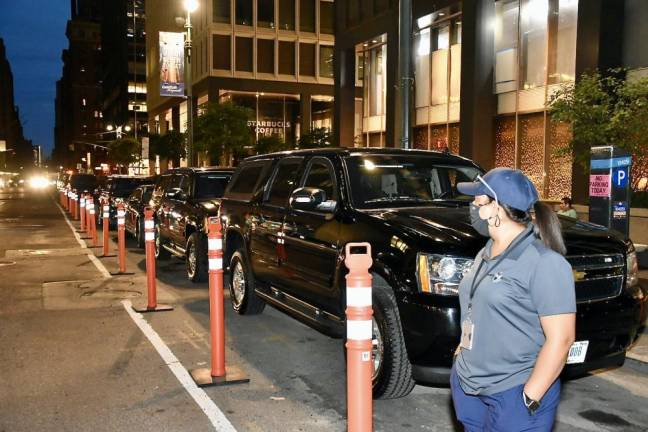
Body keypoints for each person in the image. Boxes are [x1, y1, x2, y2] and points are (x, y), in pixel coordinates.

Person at [452, 168, 576, 431]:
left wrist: (529, 397)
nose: (472, 207)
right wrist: (460, 354)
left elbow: (562, 339)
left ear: (495, 207)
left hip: (513, 392)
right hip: (469, 384)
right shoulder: (484, 253)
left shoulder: (545, 263)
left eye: (477, 200)